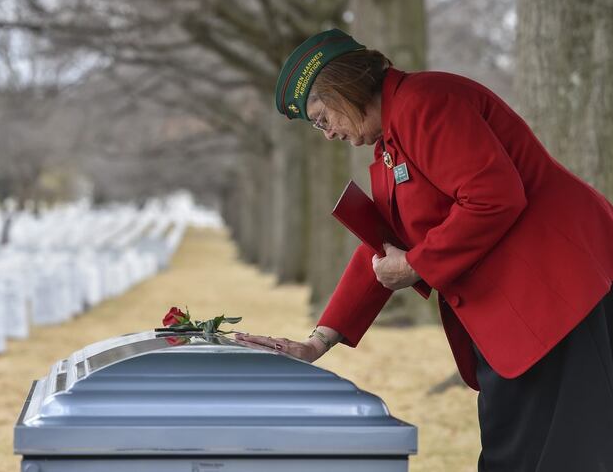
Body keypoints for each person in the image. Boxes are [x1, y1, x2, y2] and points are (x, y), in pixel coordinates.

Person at [235, 28, 613, 471]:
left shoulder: (426, 104)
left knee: (562, 452)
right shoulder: (390, 146)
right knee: (518, 452)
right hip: (522, 311)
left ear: (343, 89)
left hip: (560, 291)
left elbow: (494, 196)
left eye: (321, 118)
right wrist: (318, 342)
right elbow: (382, 247)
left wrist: (416, 265)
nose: (328, 134)